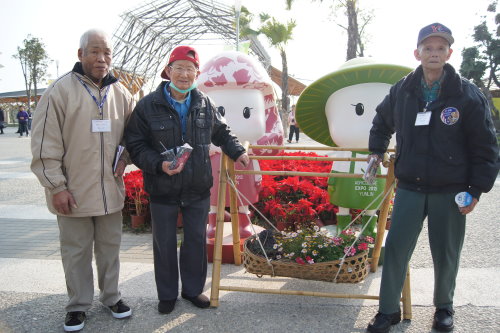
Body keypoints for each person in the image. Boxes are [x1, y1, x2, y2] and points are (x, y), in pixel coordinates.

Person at [366, 23, 500, 333]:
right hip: (410, 186)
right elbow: (381, 123)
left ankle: (444, 308)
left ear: (449, 53)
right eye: (428, 48)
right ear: (418, 53)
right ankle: (388, 311)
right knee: (396, 247)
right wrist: (376, 152)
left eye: (441, 48)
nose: (434, 53)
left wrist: (476, 189)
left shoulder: (467, 94)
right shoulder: (402, 90)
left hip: (451, 189)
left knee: (446, 251)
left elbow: (485, 146)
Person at [125, 45, 250, 315]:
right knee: (165, 244)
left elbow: (222, 132)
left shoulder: (204, 102)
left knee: (195, 241)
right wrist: (159, 164)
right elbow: (135, 144)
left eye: (190, 69)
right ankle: (167, 294)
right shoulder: (148, 105)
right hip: (162, 188)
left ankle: (193, 290)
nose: (184, 74)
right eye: (178, 68)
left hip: (197, 188)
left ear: (197, 74)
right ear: (168, 71)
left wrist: (238, 151)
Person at [31, 29, 135, 332]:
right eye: (94, 51)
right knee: (75, 251)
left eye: (106, 52)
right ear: (80, 54)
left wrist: (126, 158)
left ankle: (112, 297)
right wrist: (56, 187)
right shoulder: (59, 91)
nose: (101, 59)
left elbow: (133, 137)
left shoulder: (123, 94)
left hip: (109, 191)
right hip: (72, 192)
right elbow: (44, 145)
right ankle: (78, 305)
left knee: (110, 248)